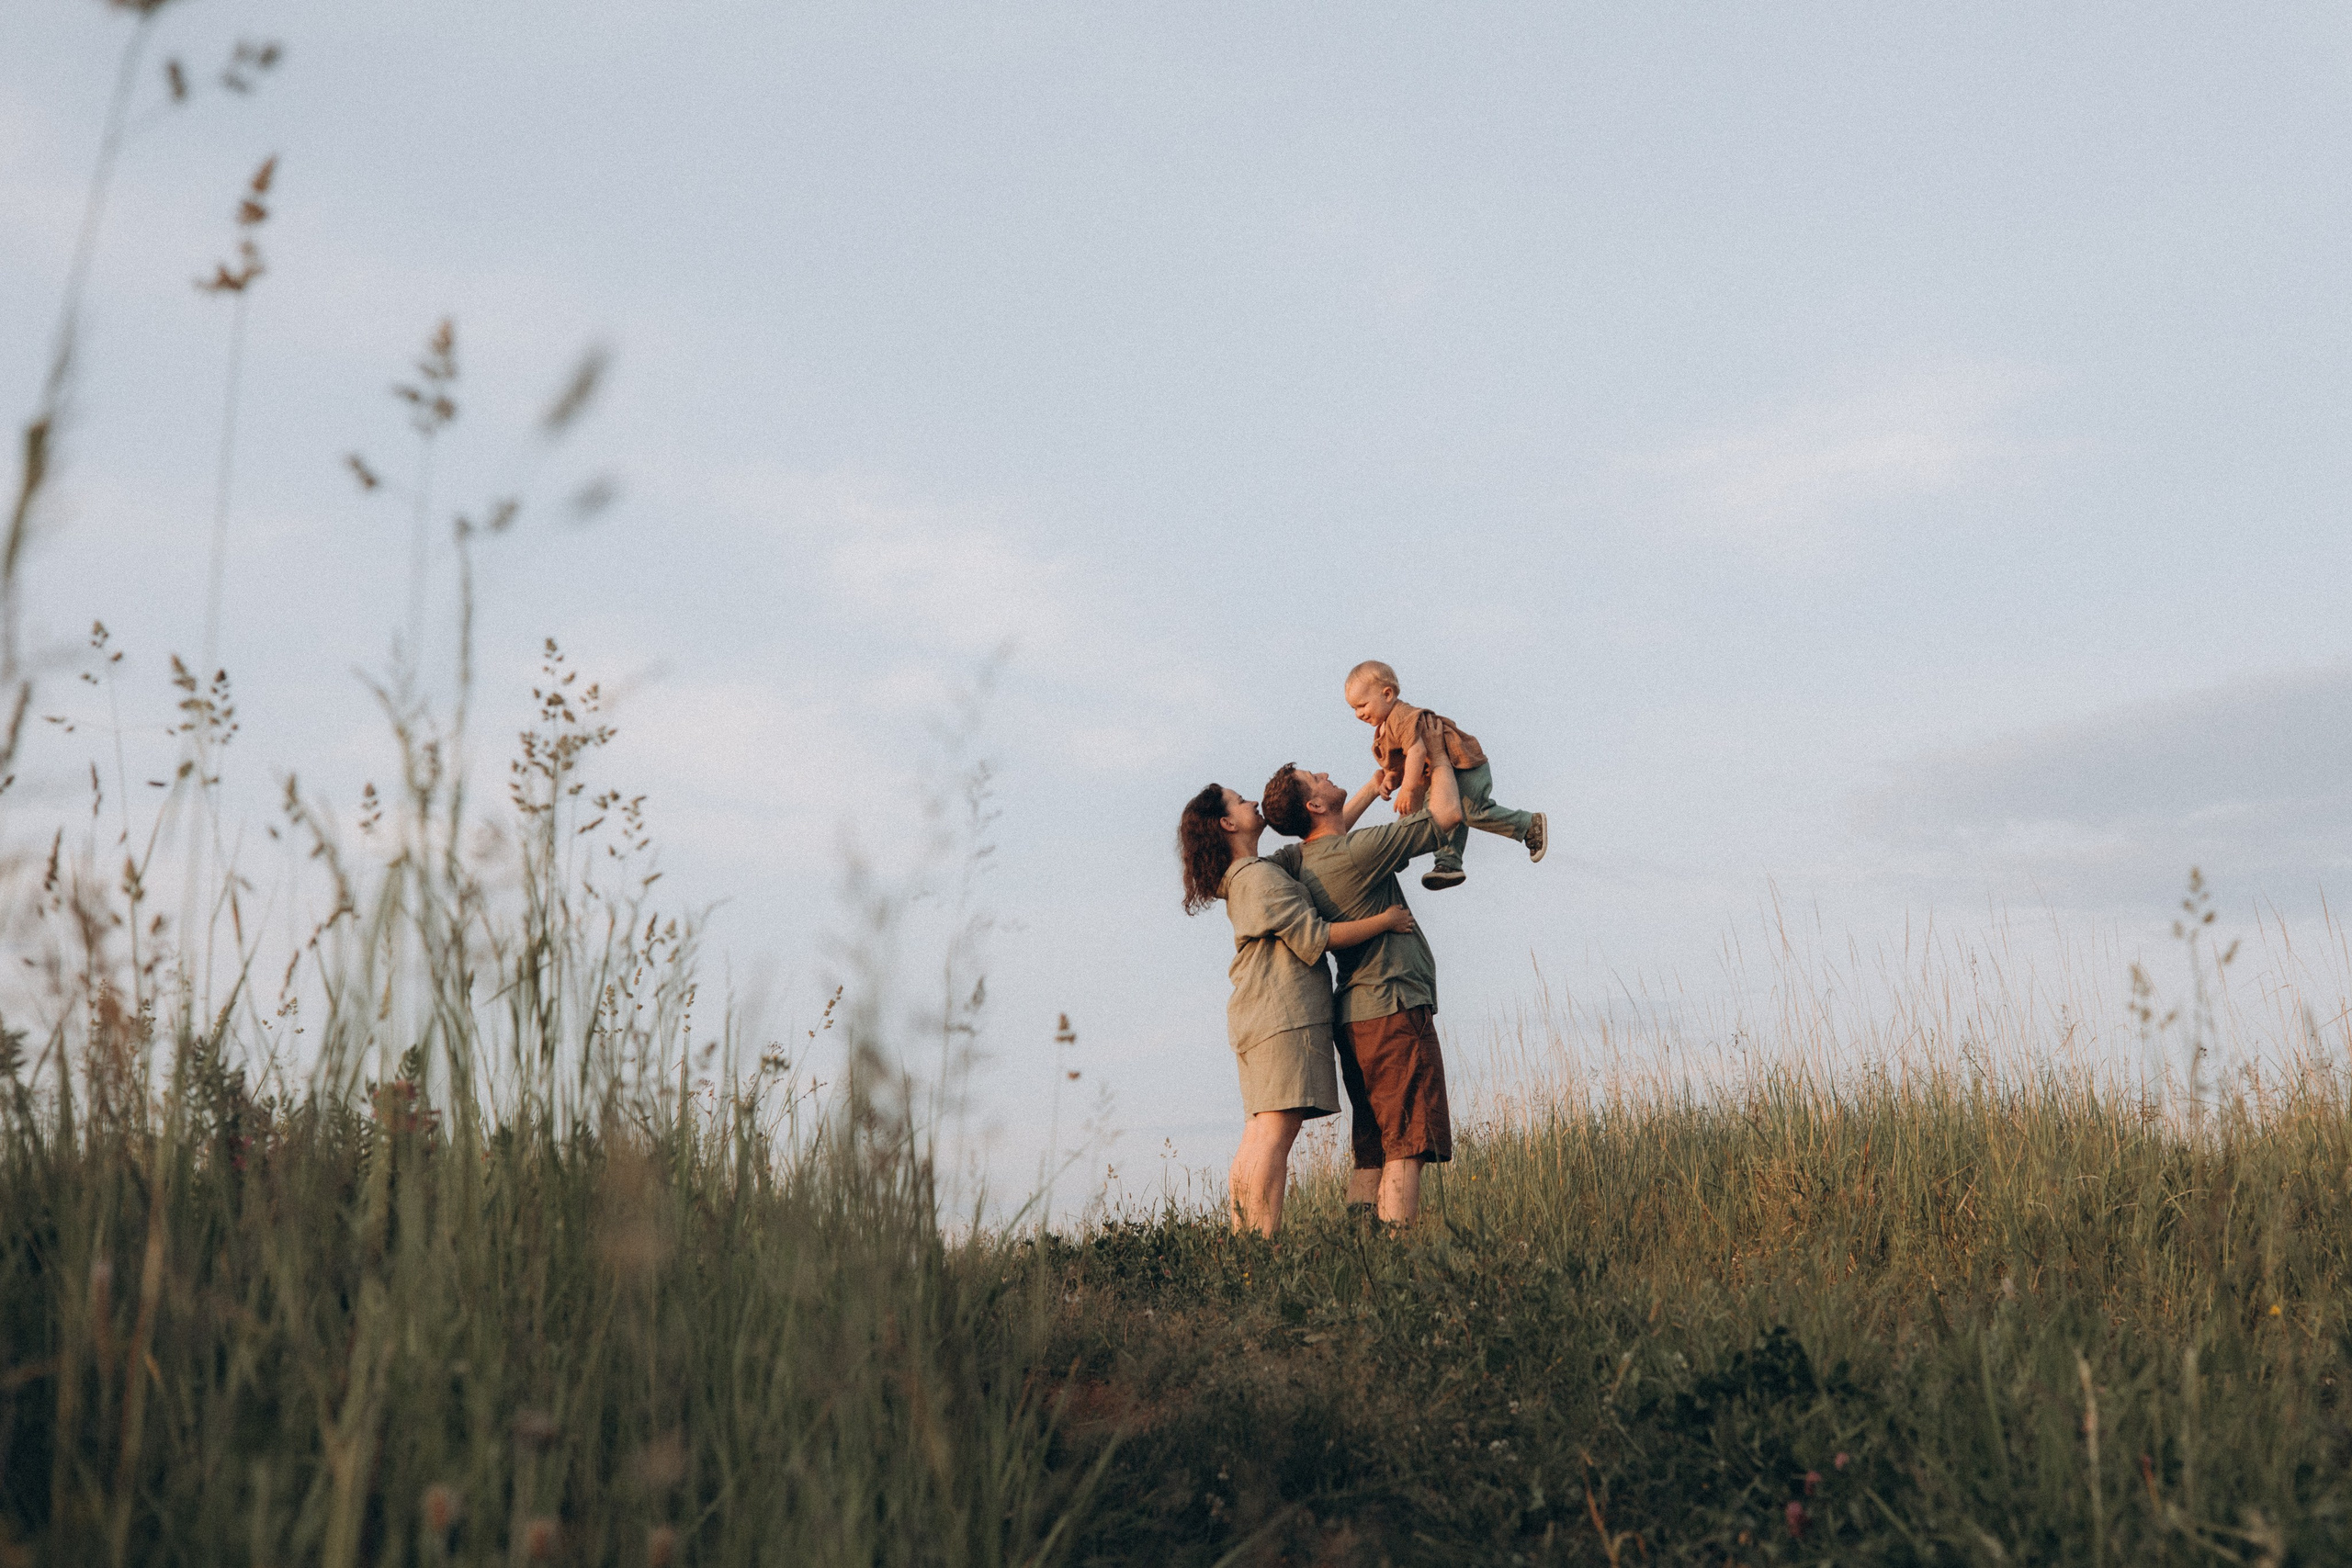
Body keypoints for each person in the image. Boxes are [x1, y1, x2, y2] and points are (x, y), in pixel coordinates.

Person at [1178, 784, 1418, 1236]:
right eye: (1239, 800)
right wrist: (1386, 921)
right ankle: (1261, 1243)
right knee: (1274, 1133)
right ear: (1228, 823)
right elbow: (1316, 938)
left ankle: (1246, 1242)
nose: (1251, 802)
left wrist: (1372, 787)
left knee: (1260, 1131)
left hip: (1260, 1016)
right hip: (1282, 1016)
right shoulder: (1260, 877)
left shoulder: (1256, 871)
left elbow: (1327, 839)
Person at [1261, 714, 1465, 1225]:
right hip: (1394, 1009)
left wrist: (1376, 788)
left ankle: (1358, 1252)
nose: (1326, 773)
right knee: (1408, 1145)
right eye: (1317, 778)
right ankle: (1396, 1269)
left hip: (1354, 1019)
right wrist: (1437, 755)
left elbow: (1327, 836)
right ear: (1313, 804)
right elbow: (1445, 814)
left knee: (1372, 1148)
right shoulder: (1359, 853)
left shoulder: (1302, 863)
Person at [1343, 658, 1544, 891]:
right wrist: (1392, 778)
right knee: (1437, 814)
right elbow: (1405, 762)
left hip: (1463, 765)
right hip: (1440, 774)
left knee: (1470, 812)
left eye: (1362, 705)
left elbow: (1417, 751)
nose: (1358, 714)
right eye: (1354, 709)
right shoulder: (1384, 729)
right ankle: (1445, 863)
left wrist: (1407, 789)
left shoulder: (1400, 717)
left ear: (1387, 694)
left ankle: (1528, 824)